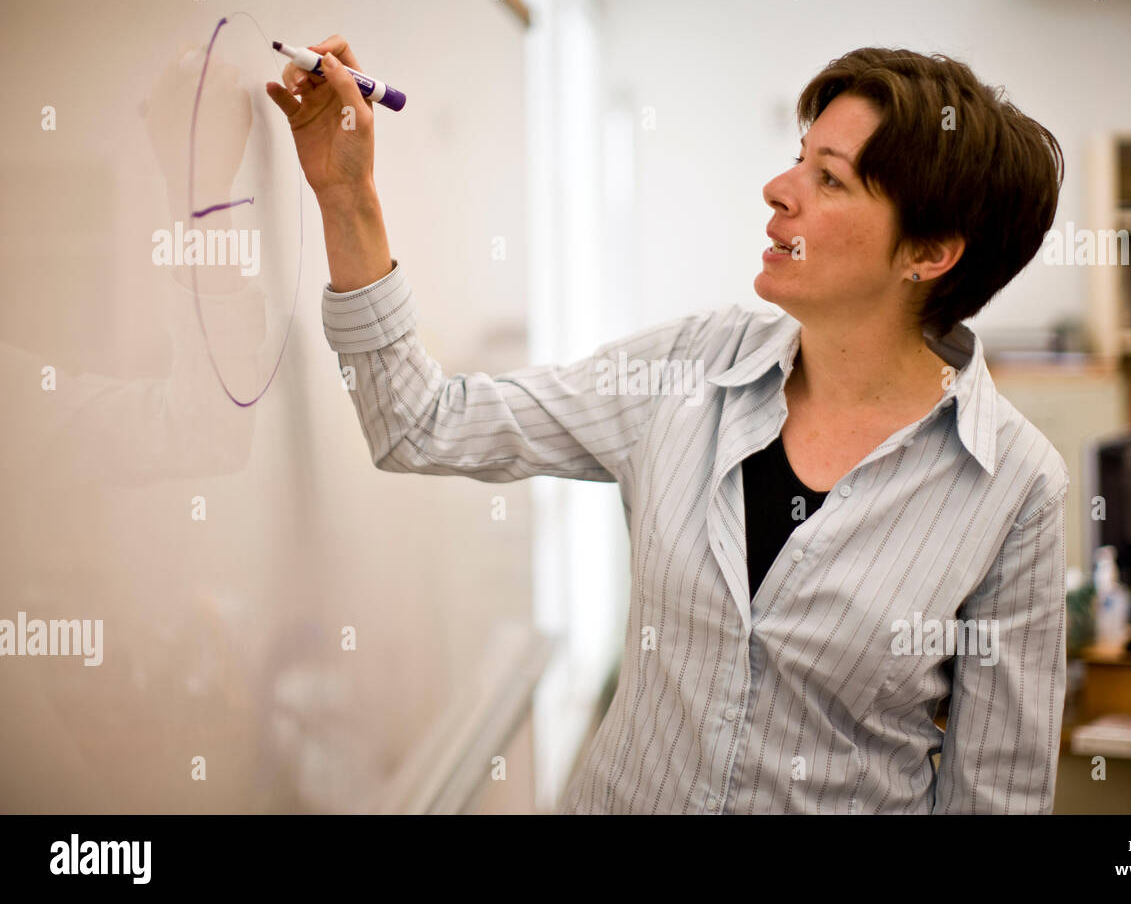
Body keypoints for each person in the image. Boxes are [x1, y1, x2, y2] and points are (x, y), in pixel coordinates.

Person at [267, 41, 1069, 814]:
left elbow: (994, 794)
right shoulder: (690, 367)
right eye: (799, 157)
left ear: (927, 252)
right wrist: (348, 198)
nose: (777, 189)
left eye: (828, 179)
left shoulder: (1016, 485)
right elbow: (421, 424)